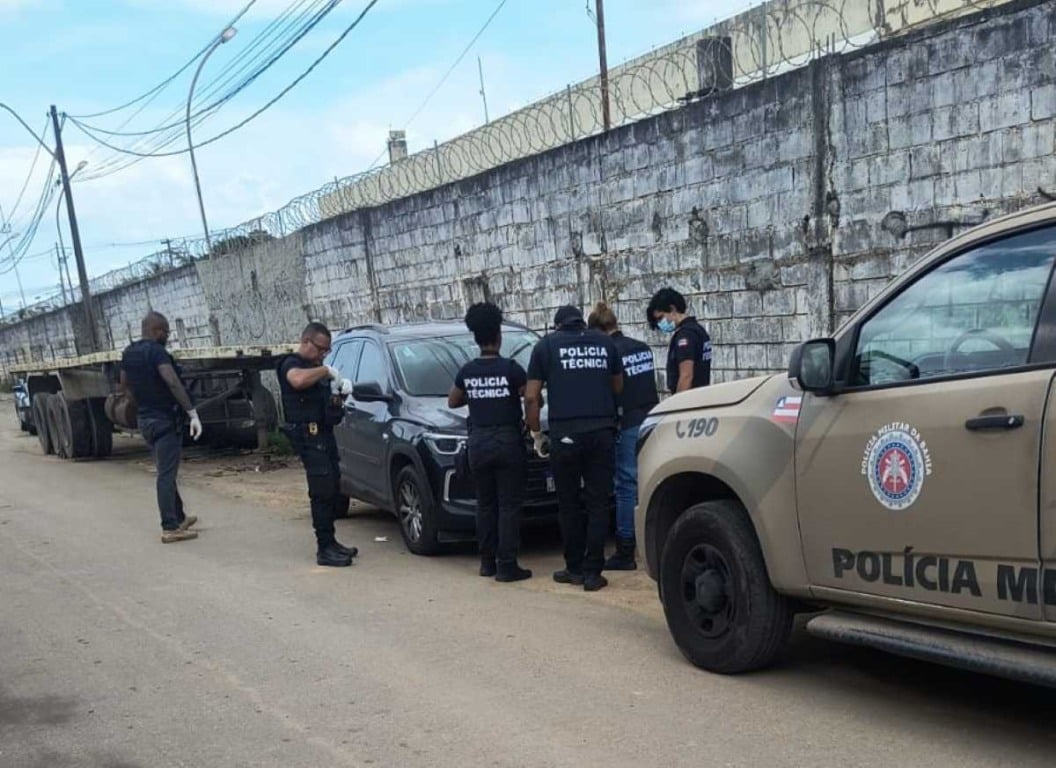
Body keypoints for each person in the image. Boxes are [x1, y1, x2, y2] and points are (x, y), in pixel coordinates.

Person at [525, 305, 623, 592]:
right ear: (582, 321)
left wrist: (535, 433)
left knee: (568, 504)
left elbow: (531, 397)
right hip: (601, 432)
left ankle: (574, 569)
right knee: (598, 503)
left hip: (565, 435)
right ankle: (594, 572)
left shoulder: (546, 346)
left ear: (557, 325)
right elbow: (618, 386)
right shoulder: (605, 342)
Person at [448, 303, 532, 583]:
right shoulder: (511, 368)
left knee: (485, 504)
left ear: (476, 339)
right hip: (507, 440)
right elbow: (529, 395)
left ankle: (487, 562)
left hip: (479, 443)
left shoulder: (468, 371)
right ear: (499, 336)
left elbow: (453, 400)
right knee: (508, 505)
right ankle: (507, 564)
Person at [278, 322, 358, 567]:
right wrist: (325, 371)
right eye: (320, 349)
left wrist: (340, 396)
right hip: (308, 437)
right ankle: (324, 548)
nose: (323, 355)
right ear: (306, 341)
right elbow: (298, 381)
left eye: (326, 351)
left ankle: (331, 542)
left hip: (324, 436)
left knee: (332, 487)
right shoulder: (291, 363)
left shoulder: (316, 369)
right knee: (321, 491)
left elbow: (329, 410)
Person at [120, 312, 203, 544]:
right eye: (166, 332)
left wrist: (142, 405)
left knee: (166, 469)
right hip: (165, 420)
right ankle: (170, 527)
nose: (167, 336)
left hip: (145, 420)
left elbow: (124, 385)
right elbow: (172, 381)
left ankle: (179, 517)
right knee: (166, 475)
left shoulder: (129, 353)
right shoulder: (157, 352)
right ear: (157, 330)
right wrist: (191, 412)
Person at [587, 302, 659, 571]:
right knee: (646, 480)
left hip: (627, 422)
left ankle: (626, 548)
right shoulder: (642, 347)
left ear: (598, 329)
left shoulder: (608, 351)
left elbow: (610, 391)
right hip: (651, 418)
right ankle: (647, 540)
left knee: (626, 485)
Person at [646, 287, 712, 394]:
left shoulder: (685, 336)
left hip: (690, 400)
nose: (660, 323)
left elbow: (686, 376)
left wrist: (677, 406)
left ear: (672, 309)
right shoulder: (698, 330)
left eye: (661, 317)